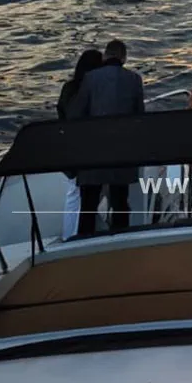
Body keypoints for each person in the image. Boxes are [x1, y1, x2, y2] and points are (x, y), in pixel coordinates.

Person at [70, 38, 145, 237]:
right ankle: (120, 241)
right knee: (120, 203)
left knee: (88, 205)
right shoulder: (134, 80)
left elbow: (76, 114)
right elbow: (140, 118)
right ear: (124, 58)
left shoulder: (90, 78)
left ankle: (84, 243)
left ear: (105, 56)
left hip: (93, 154)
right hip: (122, 154)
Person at [56, 47, 102, 240]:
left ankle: (70, 236)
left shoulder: (68, 89)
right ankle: (83, 235)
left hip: (70, 151)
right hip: (89, 152)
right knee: (87, 195)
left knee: (73, 195)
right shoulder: (93, 91)